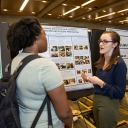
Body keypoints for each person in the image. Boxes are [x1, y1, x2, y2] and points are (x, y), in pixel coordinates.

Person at [6, 17, 73, 128]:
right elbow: (64, 113)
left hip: (22, 123)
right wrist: (70, 125)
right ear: (37, 37)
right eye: (44, 34)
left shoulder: (12, 63)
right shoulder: (45, 66)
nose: (46, 38)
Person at [81, 30, 127, 128]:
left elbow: (119, 93)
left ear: (115, 44)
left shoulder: (120, 64)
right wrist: (89, 79)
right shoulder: (102, 61)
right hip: (97, 99)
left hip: (109, 102)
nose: (101, 44)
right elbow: (101, 81)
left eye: (105, 41)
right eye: (100, 41)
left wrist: (101, 83)